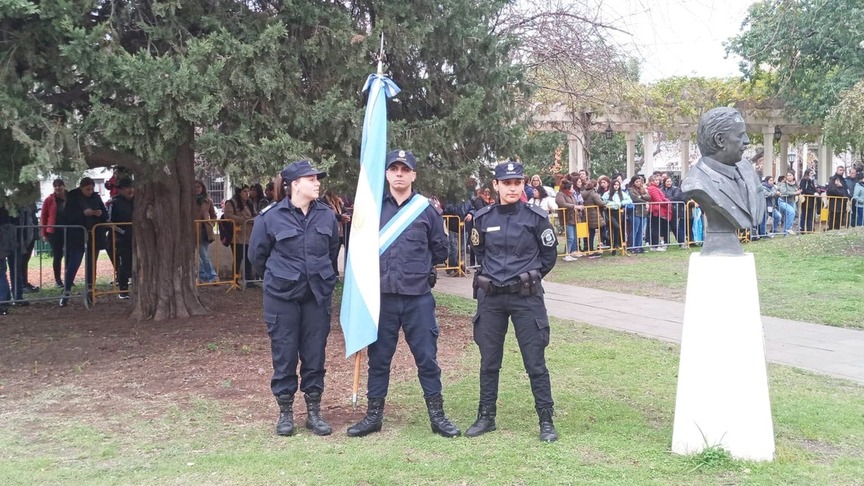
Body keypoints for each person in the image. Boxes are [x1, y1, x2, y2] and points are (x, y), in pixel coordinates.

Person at [347, 149, 459, 439]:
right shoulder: (372, 209)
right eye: (394, 168)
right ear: (386, 174)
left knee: (427, 359)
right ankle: (373, 417)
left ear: (413, 175)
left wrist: (424, 270)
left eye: (405, 169)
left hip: (417, 298)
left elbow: (442, 249)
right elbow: (357, 250)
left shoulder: (425, 210)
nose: (399, 173)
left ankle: (438, 417)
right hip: (380, 299)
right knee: (379, 358)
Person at [468, 160, 559, 442]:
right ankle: (486, 417)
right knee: (489, 361)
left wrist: (529, 278)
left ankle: (546, 420)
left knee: (535, 362)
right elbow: (479, 251)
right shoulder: (483, 219)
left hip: (525, 298)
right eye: (506, 183)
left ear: (523, 185)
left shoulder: (535, 218)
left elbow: (548, 256)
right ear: (495, 185)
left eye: (517, 183)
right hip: (492, 298)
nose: (512, 188)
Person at [248, 160, 340, 437]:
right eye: (311, 179)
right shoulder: (270, 217)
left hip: (316, 296)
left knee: (315, 355)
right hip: (283, 298)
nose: (317, 183)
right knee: (285, 355)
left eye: (317, 178)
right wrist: (282, 278)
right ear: (294, 184)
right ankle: (285, 413)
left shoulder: (326, 215)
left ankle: (314, 412)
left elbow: (332, 251)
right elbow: (257, 258)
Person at [680, 107, 765, 255]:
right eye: (740, 135)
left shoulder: (746, 168)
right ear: (719, 140)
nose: (747, 141)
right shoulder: (696, 183)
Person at [58, 177, 108, 307]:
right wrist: (83, 214)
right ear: (81, 188)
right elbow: (68, 216)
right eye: (87, 189)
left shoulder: (96, 197)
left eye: (92, 189)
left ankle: (90, 292)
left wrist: (99, 213)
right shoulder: (73, 198)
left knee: (92, 265)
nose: (90, 192)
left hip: (94, 235)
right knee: (74, 264)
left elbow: (105, 214)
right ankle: (66, 291)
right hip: (77, 237)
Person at [223, 185, 256, 287]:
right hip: (236, 236)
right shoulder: (231, 203)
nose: (247, 193)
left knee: (248, 258)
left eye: (248, 191)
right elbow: (228, 216)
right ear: (239, 192)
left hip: (249, 235)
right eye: (244, 191)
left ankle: (248, 281)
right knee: (238, 258)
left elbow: (255, 214)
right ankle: (235, 281)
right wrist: (244, 220)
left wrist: (253, 219)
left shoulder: (249, 203)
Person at [108, 178, 134, 299]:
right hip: (121, 238)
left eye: (131, 187)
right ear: (120, 190)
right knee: (124, 263)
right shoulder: (114, 202)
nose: (130, 190)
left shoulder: (137, 201)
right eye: (127, 188)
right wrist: (122, 232)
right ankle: (123, 290)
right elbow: (110, 222)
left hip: (136, 237)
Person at [41, 178, 67, 288]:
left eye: (60, 185)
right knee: (57, 255)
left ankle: (69, 277)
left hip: (68, 230)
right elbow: (43, 216)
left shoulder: (70, 198)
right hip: (54, 232)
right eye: (55, 185)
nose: (58, 187)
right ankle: (58, 280)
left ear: (64, 186)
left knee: (69, 255)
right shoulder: (49, 200)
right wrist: (44, 233)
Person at [194, 180, 219, 283]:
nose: (197, 189)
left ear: (203, 188)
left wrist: (211, 223)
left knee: (203, 254)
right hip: (194, 229)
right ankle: (207, 276)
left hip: (205, 231)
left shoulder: (208, 201)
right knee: (202, 254)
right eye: (195, 187)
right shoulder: (189, 201)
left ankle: (207, 276)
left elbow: (213, 215)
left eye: (199, 187)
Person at [555, 180, 584, 261]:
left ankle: (572, 252)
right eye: (571, 188)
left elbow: (574, 203)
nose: (573, 189)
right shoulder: (560, 195)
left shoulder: (571, 195)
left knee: (574, 237)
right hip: (567, 218)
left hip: (574, 218)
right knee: (570, 237)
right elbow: (563, 204)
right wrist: (575, 206)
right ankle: (567, 254)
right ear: (567, 188)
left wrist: (578, 207)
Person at [602, 178, 633, 254]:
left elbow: (629, 200)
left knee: (617, 229)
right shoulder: (607, 194)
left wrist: (621, 203)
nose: (616, 186)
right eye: (615, 185)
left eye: (618, 185)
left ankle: (615, 246)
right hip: (610, 213)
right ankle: (612, 245)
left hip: (618, 213)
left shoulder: (621, 193)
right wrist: (612, 204)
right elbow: (603, 202)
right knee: (615, 227)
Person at [581, 180, 606, 258]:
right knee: (603, 227)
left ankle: (590, 250)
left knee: (591, 233)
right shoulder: (593, 194)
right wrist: (606, 202)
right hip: (595, 214)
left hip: (587, 215)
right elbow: (600, 203)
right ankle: (600, 245)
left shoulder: (583, 193)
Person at [646, 175, 671, 251]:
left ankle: (655, 245)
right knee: (655, 228)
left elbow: (661, 198)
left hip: (657, 209)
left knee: (655, 228)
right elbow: (658, 200)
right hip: (655, 210)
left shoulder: (655, 188)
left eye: (658, 180)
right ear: (651, 181)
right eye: (655, 180)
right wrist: (667, 202)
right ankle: (655, 245)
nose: (657, 181)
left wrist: (666, 200)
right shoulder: (652, 189)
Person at [628, 176, 650, 253]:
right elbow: (634, 199)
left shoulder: (642, 189)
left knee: (641, 231)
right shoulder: (630, 189)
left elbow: (648, 196)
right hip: (635, 211)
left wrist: (641, 196)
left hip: (643, 212)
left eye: (639, 181)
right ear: (633, 182)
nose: (638, 183)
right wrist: (645, 201)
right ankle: (632, 247)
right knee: (635, 230)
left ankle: (639, 246)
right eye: (636, 181)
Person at [776, 171, 800, 236]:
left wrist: (799, 192)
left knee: (790, 215)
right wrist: (794, 193)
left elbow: (799, 190)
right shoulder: (784, 184)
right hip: (783, 201)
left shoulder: (795, 184)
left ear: (793, 176)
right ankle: (789, 228)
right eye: (787, 175)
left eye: (790, 175)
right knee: (791, 212)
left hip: (791, 201)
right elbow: (784, 192)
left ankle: (785, 233)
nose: (789, 177)